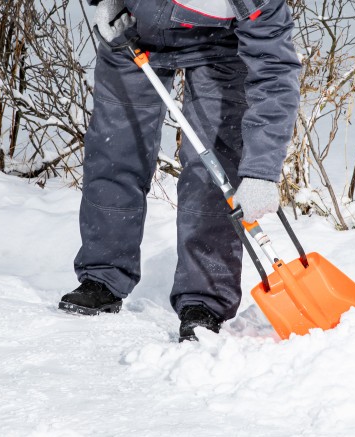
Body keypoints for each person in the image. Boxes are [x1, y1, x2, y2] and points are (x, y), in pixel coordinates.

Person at [59, 0, 301, 342]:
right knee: (115, 152)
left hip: (220, 46)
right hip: (134, 30)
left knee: (213, 172)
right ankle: (102, 277)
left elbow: (275, 69)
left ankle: (204, 302)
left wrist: (262, 170)